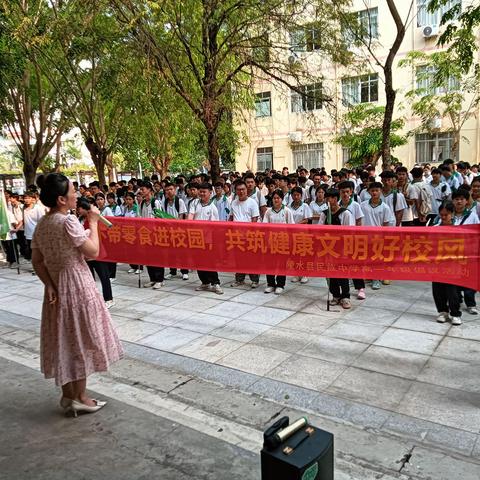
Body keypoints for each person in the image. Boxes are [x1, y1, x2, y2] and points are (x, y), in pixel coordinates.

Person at [31, 173, 123, 416]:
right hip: (77, 286)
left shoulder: (43, 223)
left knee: (62, 338)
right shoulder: (67, 222)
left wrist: (49, 284)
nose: (76, 195)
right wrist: (93, 222)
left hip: (56, 287)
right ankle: (80, 397)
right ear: (62, 199)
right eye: (73, 191)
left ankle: (67, 395)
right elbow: (92, 251)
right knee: (80, 340)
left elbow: (37, 261)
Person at [319, 189, 354, 309]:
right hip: (328, 248)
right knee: (330, 273)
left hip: (341, 248)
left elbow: (349, 232)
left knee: (342, 272)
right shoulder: (324, 214)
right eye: (327, 198)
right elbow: (319, 230)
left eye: (332, 198)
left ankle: (345, 297)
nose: (329, 201)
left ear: (336, 199)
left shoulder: (345, 213)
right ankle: (336, 295)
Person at [187, 183, 223, 294]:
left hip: (208, 239)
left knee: (210, 261)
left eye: (204, 192)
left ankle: (215, 283)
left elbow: (214, 227)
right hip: (196, 238)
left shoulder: (213, 208)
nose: (202, 194)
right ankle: (205, 282)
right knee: (198, 261)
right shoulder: (194, 203)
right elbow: (190, 217)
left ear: (210, 193)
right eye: (200, 191)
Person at [432, 201, 462, 325]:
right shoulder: (435, 228)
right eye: (441, 215)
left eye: (446, 215)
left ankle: (455, 313)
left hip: (453, 264)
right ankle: (442, 311)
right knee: (438, 289)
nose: (443, 217)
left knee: (452, 291)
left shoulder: (460, 228)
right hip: (438, 264)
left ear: (452, 214)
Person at [361, 182, 394, 290]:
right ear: (369, 192)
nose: (374, 192)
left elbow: (386, 224)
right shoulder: (363, 205)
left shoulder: (385, 207)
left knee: (377, 259)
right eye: (372, 190)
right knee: (366, 258)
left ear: (380, 191)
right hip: (365, 237)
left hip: (378, 237)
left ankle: (376, 279)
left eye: (377, 190)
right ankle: (368, 276)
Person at [229, 179, 260, 288]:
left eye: (243, 189)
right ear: (235, 191)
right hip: (237, 236)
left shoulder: (252, 202)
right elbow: (231, 218)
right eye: (238, 190)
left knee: (251, 259)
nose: (241, 192)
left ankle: (255, 280)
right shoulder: (233, 203)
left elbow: (254, 219)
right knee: (238, 259)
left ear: (247, 190)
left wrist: (250, 234)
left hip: (249, 236)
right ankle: (239, 279)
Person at [262, 189, 294, 294]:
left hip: (283, 242)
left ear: (282, 199)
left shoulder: (287, 211)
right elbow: (265, 226)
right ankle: (270, 284)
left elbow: (291, 227)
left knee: (282, 264)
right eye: (274, 198)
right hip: (271, 242)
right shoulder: (268, 211)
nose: (276, 200)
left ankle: (280, 284)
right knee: (270, 264)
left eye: (278, 198)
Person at [139, 181, 165, 289]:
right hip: (146, 234)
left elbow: (160, 218)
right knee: (148, 257)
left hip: (155, 234)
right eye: (141, 189)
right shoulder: (142, 204)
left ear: (149, 190)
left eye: (143, 189)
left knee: (157, 257)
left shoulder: (156, 203)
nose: (141, 191)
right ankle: (152, 278)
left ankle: (160, 279)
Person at [289, 186, 312, 284]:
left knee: (303, 254)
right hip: (292, 234)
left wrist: (296, 224)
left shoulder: (305, 206)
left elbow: (307, 219)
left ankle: (304, 274)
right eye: (294, 195)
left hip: (303, 233)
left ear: (301, 196)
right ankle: (296, 273)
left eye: (298, 195)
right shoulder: (288, 206)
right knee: (295, 254)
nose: (296, 197)